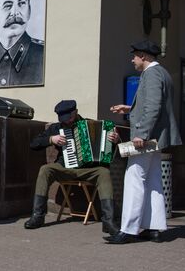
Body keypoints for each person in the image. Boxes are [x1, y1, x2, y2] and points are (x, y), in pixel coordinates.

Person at [106, 41, 182, 244]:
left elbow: (154, 106)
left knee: (134, 178)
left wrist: (141, 133)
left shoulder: (151, 74)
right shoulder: (164, 73)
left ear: (144, 57)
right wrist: (129, 108)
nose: (132, 60)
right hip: (157, 138)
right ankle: (154, 228)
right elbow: (153, 105)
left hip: (147, 138)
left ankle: (128, 230)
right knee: (153, 180)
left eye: (135, 56)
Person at [24, 100, 120, 235]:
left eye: (69, 118)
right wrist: (51, 139)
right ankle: (38, 216)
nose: (67, 122)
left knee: (104, 172)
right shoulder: (56, 128)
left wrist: (115, 140)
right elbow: (34, 144)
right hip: (65, 168)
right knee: (45, 169)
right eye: (63, 119)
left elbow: (109, 150)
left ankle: (108, 222)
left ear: (76, 112)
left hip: (88, 169)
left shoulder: (94, 125)